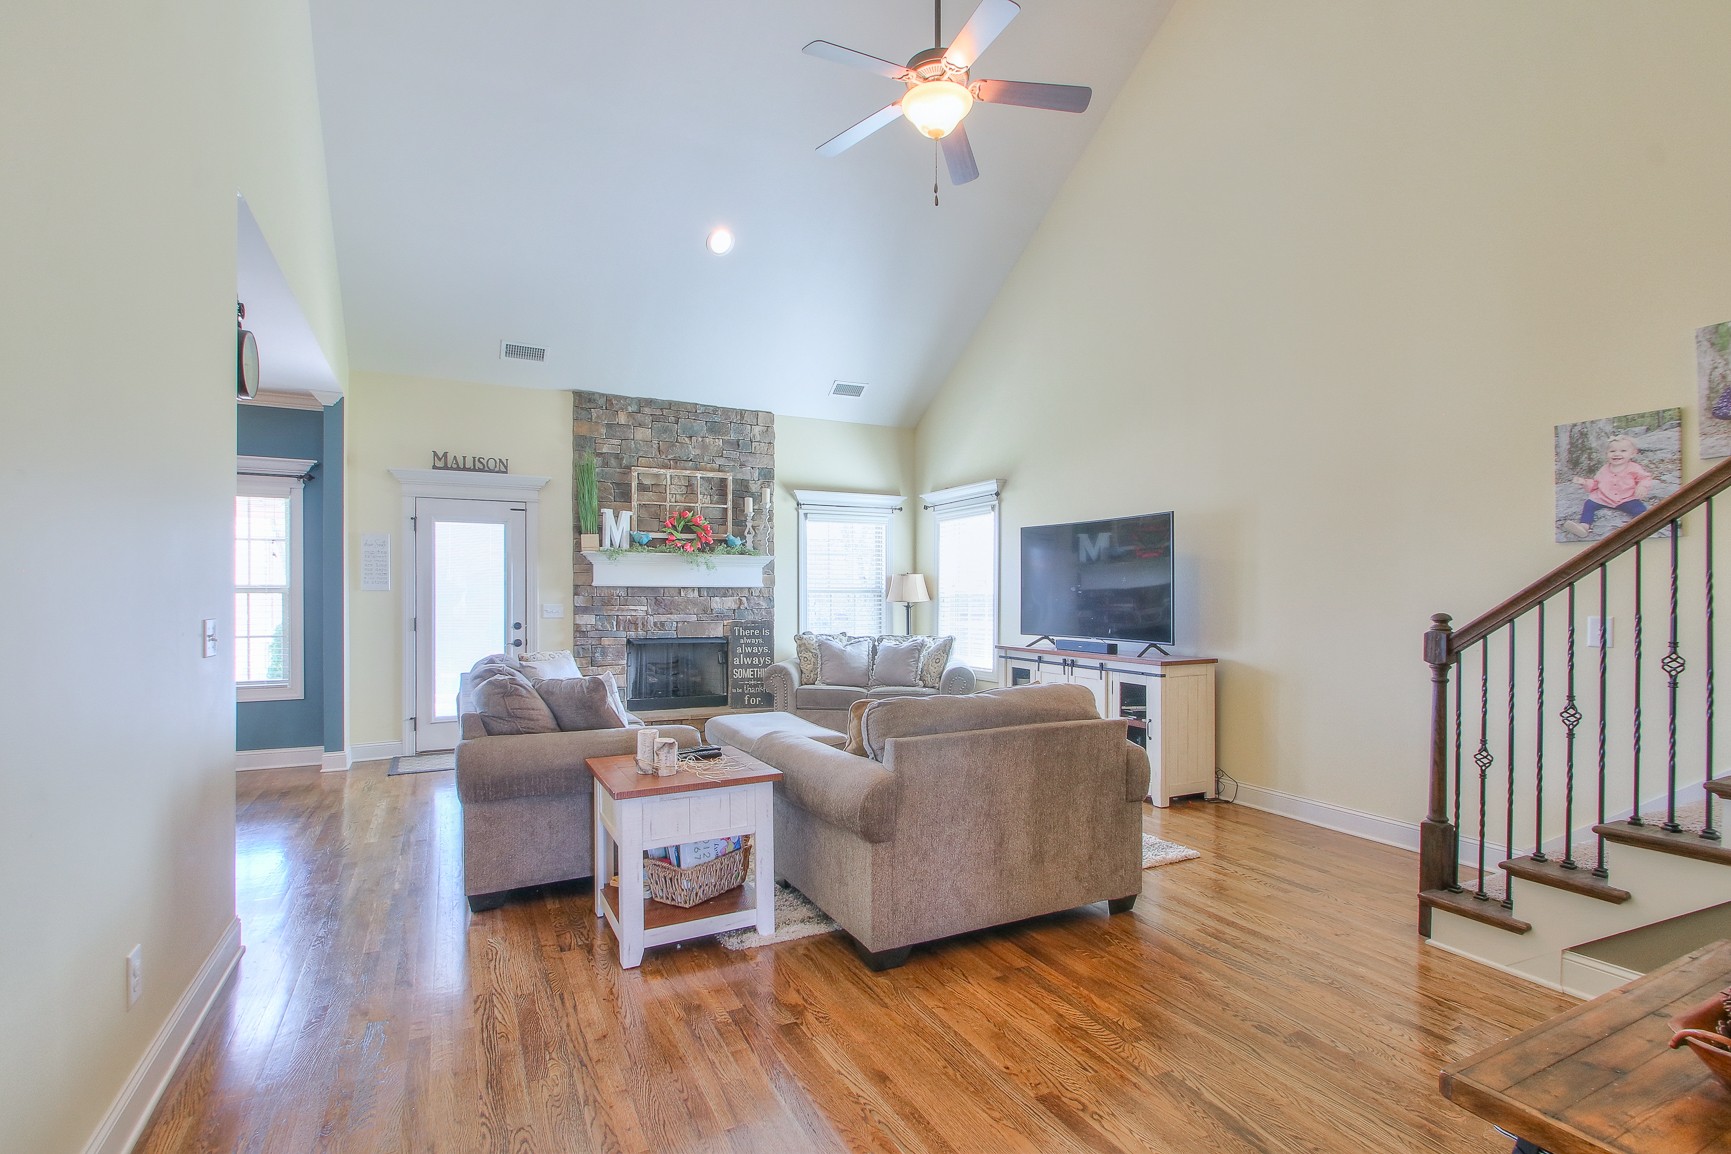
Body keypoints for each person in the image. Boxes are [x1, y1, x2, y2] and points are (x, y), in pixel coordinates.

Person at [1561, 435, 1654, 538]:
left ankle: (1641, 526)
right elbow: (1596, 483)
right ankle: (1584, 526)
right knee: (1589, 504)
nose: (1617, 454)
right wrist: (1585, 482)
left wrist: (1642, 487)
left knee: (1639, 508)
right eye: (1612, 451)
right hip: (1604, 498)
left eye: (1623, 451)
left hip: (1626, 498)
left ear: (1633, 453)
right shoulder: (1604, 469)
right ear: (1607, 454)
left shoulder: (1634, 468)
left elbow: (1644, 478)